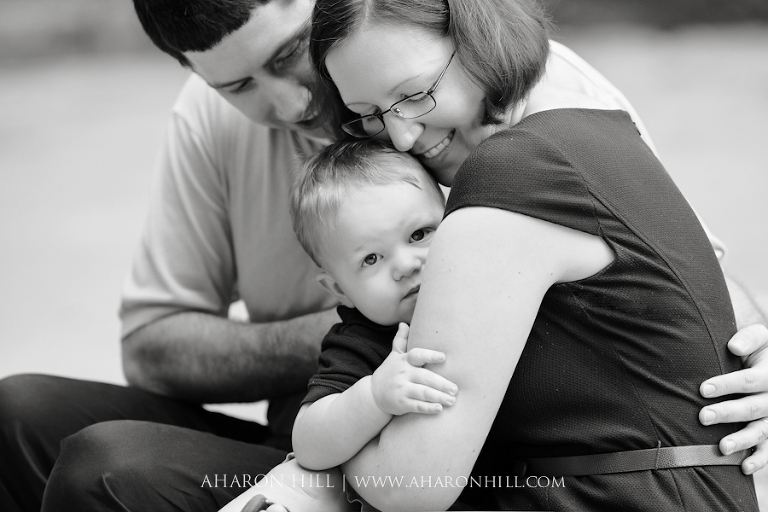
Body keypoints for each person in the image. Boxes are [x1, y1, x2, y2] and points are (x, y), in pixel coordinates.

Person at [0, 0, 765, 511]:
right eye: (237, 86)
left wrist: (758, 360)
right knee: (20, 412)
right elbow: (153, 346)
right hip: (336, 413)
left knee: (109, 469)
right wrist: (366, 349)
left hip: (464, 449)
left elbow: (677, 268)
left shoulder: (511, 105)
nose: (288, 102)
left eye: (290, 54)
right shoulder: (216, 120)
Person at [268, 0, 763, 509]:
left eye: (414, 95)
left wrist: (344, 443)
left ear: (479, 42)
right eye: (368, 116)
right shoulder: (597, 126)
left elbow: (407, 486)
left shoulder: (509, 174)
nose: (401, 136)